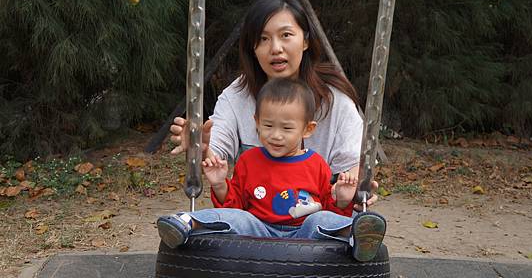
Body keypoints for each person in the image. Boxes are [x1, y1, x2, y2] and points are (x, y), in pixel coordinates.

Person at [170, 0, 378, 209]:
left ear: (305, 41)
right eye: (263, 39)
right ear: (253, 47)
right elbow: (216, 151)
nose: (275, 48)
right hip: (256, 218)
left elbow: (354, 166)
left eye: (286, 35)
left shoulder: (335, 102)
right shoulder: (237, 97)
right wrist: (200, 148)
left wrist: (355, 188)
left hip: (317, 222)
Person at [158, 78, 386, 262]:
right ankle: (186, 223)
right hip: (257, 231)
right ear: (256, 122)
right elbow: (235, 206)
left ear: (307, 129)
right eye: (267, 126)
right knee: (237, 218)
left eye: (287, 128)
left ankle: (358, 237)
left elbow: (328, 208)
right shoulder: (249, 160)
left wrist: (343, 201)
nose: (276, 135)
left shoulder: (317, 164)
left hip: (304, 232)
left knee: (321, 219)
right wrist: (220, 184)